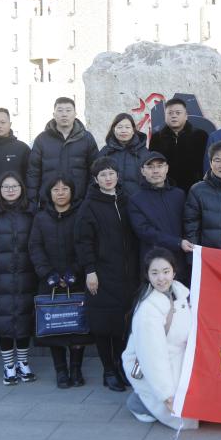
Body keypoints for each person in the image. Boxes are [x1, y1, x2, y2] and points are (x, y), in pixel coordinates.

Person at [75, 158, 140, 391]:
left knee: (123, 324)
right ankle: (108, 370)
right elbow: (84, 241)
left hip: (127, 274)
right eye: (102, 174)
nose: (108, 178)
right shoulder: (89, 205)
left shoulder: (127, 199)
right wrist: (90, 270)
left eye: (111, 173)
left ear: (117, 175)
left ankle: (122, 367)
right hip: (101, 274)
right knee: (103, 325)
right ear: (95, 179)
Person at [121, 248, 198, 430]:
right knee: (183, 413)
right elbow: (153, 355)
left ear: (174, 272)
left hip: (178, 357)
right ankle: (140, 402)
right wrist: (166, 394)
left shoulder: (181, 294)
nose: (161, 278)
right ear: (147, 275)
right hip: (156, 364)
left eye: (165, 271)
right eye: (154, 273)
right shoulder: (148, 309)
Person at [0, 172, 38, 386]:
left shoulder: (31, 212)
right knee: (3, 323)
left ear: (21, 188)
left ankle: (23, 362)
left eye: (14, 186)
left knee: (23, 321)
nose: (10, 190)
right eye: (5, 187)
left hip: (26, 278)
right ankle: (9, 366)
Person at [29, 175, 89, 388]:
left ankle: (76, 369)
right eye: (56, 189)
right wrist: (48, 274)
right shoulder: (41, 217)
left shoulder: (81, 214)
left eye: (65, 188)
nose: (61, 192)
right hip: (50, 281)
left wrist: (75, 272)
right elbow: (35, 247)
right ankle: (61, 371)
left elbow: (85, 244)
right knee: (54, 326)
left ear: (72, 191)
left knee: (77, 327)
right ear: (49, 193)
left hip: (77, 279)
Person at [126, 152, 189, 283]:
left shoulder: (179, 195)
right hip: (154, 265)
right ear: (142, 171)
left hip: (180, 263)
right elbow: (145, 232)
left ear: (166, 168)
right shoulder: (136, 200)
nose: (155, 171)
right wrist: (177, 242)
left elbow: (188, 224)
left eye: (159, 166)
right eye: (150, 167)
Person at [26, 97, 99, 207]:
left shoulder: (86, 138)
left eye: (68, 110)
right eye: (60, 110)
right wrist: (33, 202)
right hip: (49, 203)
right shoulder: (42, 139)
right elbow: (33, 173)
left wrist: (89, 198)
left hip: (80, 202)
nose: (64, 114)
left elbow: (95, 171)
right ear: (54, 114)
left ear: (75, 114)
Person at [149, 98, 209, 193]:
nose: (174, 116)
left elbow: (206, 164)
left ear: (186, 116)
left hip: (194, 189)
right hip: (166, 189)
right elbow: (152, 164)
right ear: (165, 116)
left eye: (178, 113)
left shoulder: (200, 136)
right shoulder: (156, 138)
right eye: (170, 113)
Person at [97, 113, 151, 197]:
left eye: (127, 127)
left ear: (133, 130)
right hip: (112, 202)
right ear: (113, 130)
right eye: (119, 127)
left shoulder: (143, 152)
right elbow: (95, 177)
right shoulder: (105, 152)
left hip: (138, 201)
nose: (123, 130)